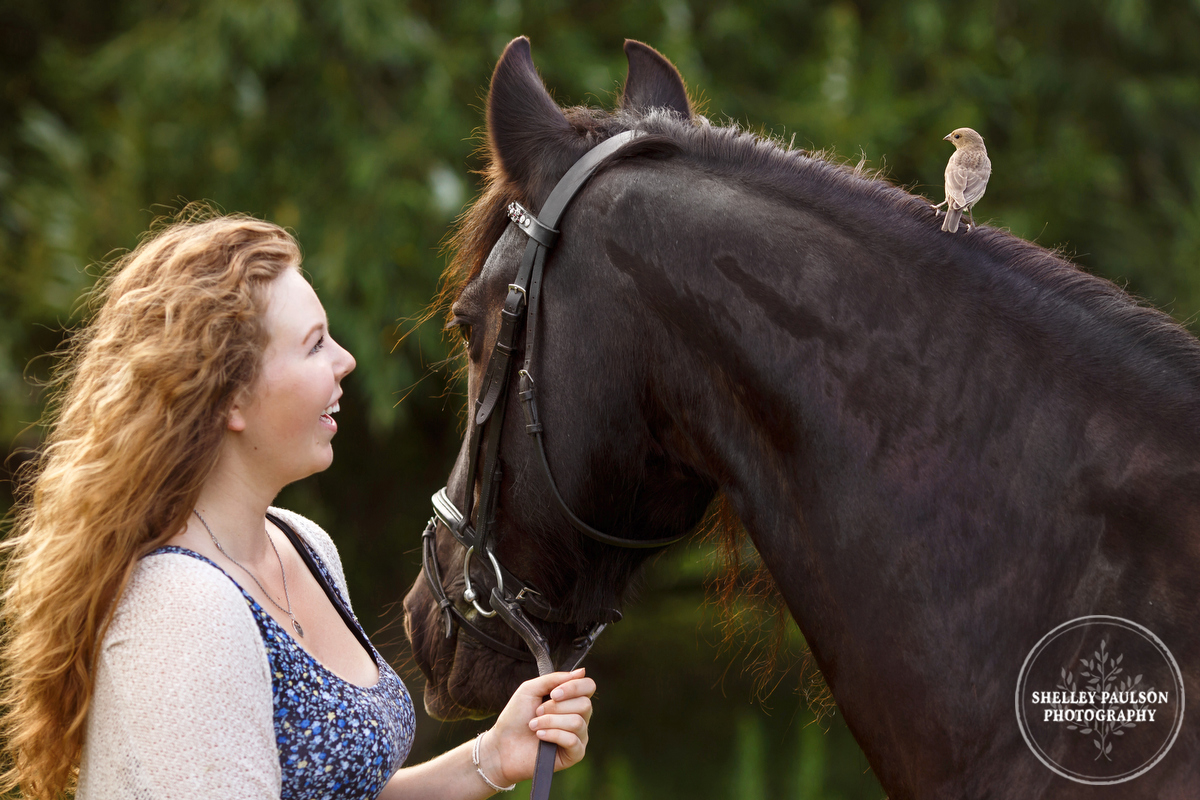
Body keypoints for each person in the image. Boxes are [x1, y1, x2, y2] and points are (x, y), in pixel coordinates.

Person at [0, 212, 594, 800]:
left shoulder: (302, 546)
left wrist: (490, 758)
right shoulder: (183, 610)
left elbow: (347, 793)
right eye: (314, 346)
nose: (345, 360)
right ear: (230, 397)